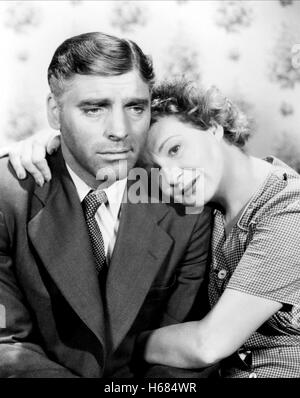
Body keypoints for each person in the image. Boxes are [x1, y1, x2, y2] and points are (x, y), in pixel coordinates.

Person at [11, 79, 300, 378]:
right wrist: (48, 143)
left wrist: (123, 344)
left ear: (212, 128)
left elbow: (208, 344)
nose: (171, 178)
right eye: (155, 169)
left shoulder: (290, 208)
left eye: (175, 149)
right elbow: (91, 163)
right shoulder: (199, 201)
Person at [0, 33, 214, 378]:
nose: (120, 130)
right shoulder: (8, 194)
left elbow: (181, 354)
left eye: (135, 107)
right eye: (94, 109)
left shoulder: (185, 203)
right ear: (55, 113)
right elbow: (6, 345)